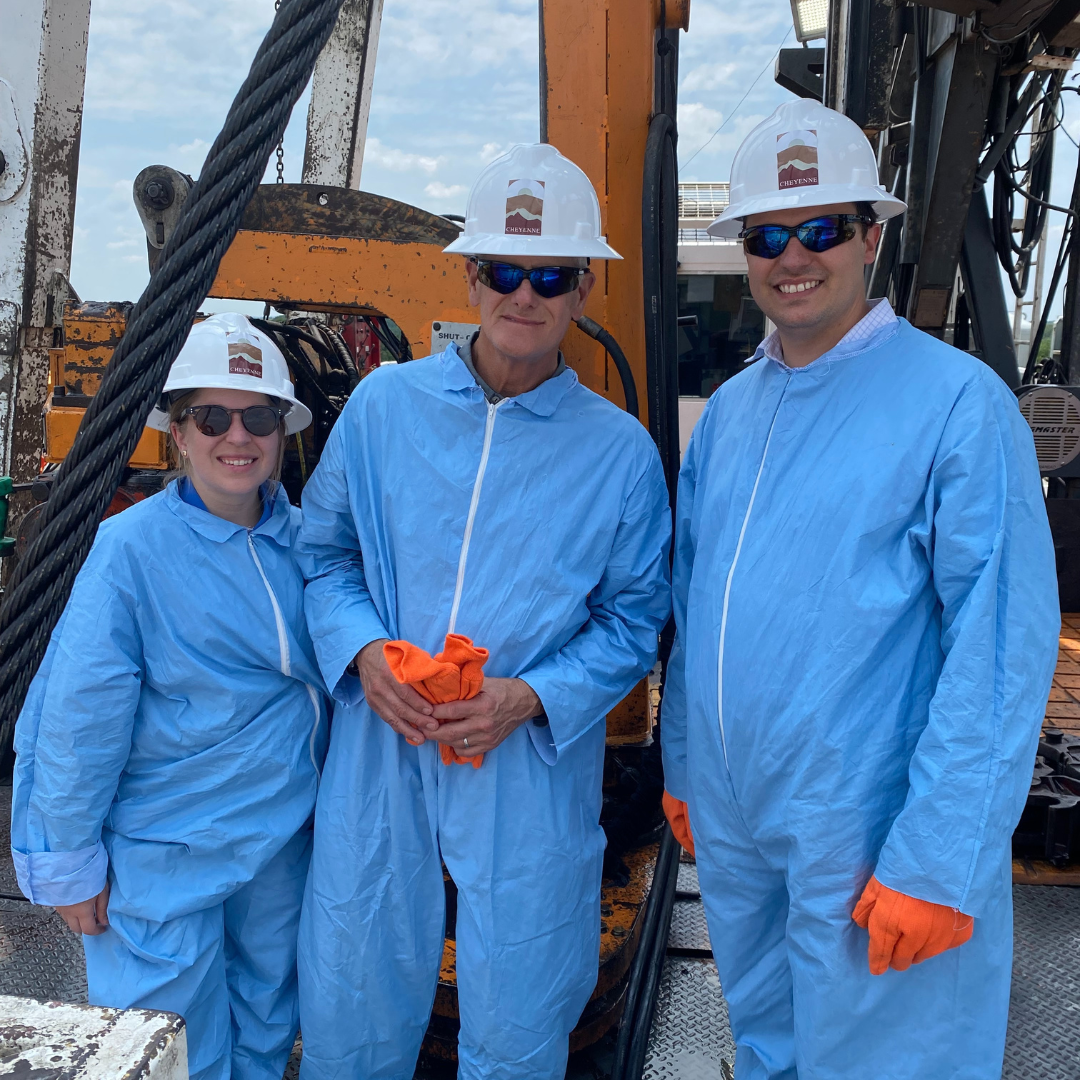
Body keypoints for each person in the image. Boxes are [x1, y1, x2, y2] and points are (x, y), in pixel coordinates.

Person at [660, 98, 1060, 1077]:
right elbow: (696, 603)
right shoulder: (731, 415)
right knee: (768, 1046)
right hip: (742, 826)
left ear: (870, 236)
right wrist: (682, 768)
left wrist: (939, 857)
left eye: (821, 227)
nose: (793, 255)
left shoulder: (957, 405)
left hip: (873, 836)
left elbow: (1000, 645)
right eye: (769, 234)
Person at [296, 143, 671, 1080]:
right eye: (506, 269)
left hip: (524, 763)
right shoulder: (384, 408)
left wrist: (530, 697)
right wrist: (365, 653)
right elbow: (324, 556)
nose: (525, 294)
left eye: (550, 275)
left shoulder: (619, 454)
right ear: (471, 276)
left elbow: (633, 620)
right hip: (383, 738)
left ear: (583, 288)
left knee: (522, 1000)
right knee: (354, 982)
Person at [11, 313, 327, 1080]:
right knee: (162, 1046)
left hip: (276, 847)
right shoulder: (132, 551)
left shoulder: (312, 547)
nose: (236, 437)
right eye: (211, 417)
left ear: (283, 431)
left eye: (257, 417)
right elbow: (80, 718)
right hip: (159, 857)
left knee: (261, 1026)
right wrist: (70, 859)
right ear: (178, 433)